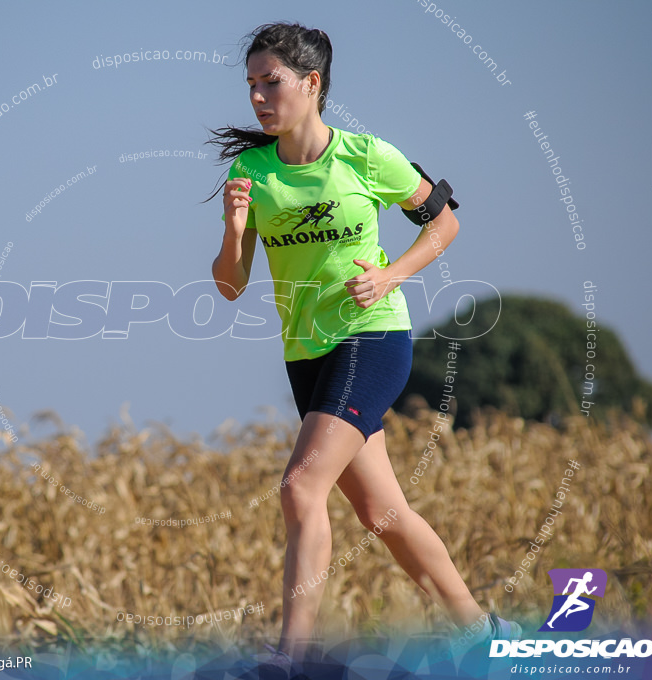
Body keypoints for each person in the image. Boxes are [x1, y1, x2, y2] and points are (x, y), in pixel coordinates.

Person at [206, 22, 520, 675]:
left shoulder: (366, 156)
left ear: (311, 83)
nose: (260, 97)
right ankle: (478, 630)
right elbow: (231, 285)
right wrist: (236, 228)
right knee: (381, 511)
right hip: (306, 355)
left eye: (273, 82)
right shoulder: (251, 172)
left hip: (371, 339)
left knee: (299, 490)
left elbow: (445, 221)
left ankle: (292, 656)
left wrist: (391, 275)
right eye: (252, 86)